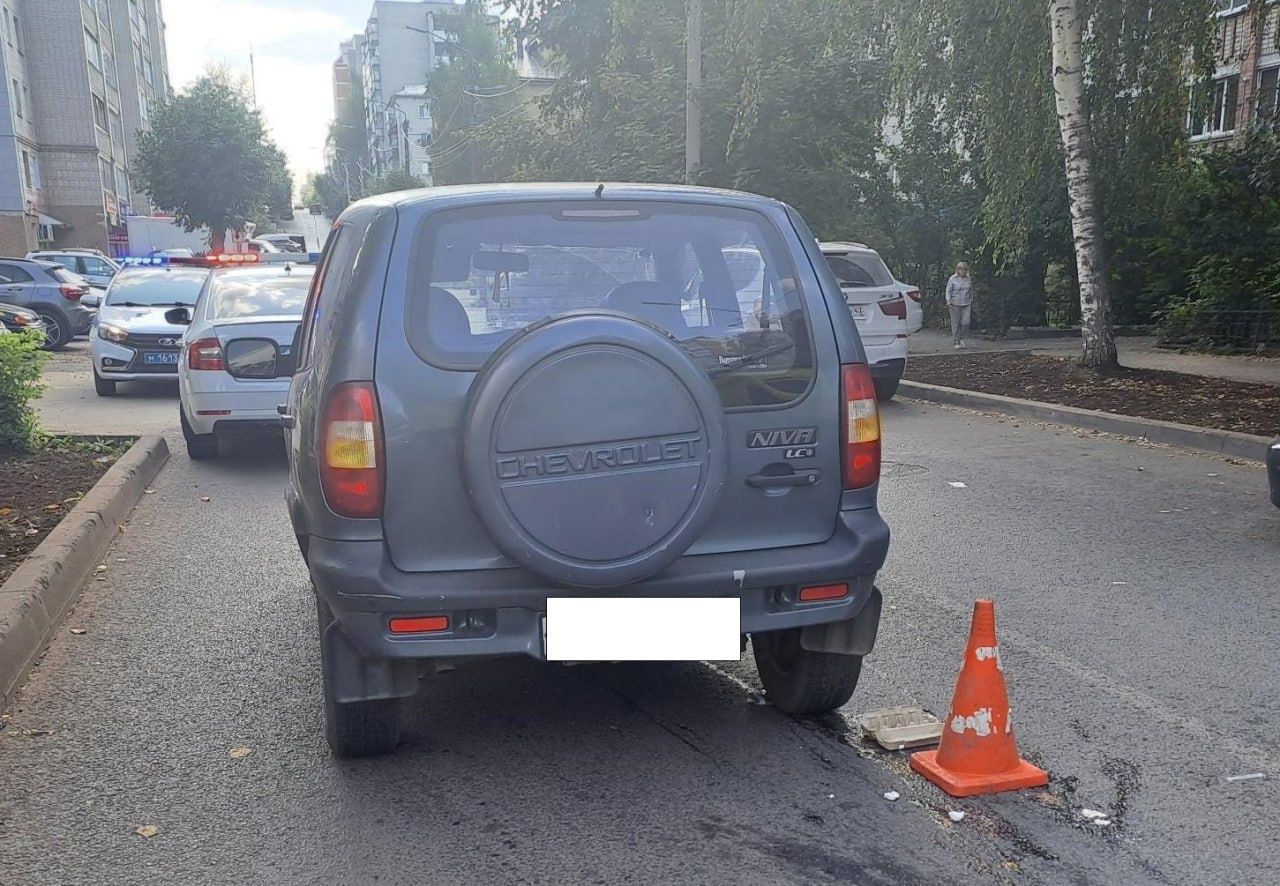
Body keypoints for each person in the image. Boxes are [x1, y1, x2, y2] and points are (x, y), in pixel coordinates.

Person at [946, 262, 974, 349]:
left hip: (966, 303)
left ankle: (962, 338)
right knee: (956, 323)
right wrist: (948, 301)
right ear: (958, 270)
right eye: (961, 270)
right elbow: (948, 290)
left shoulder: (968, 279)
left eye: (965, 270)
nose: (963, 271)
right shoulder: (952, 279)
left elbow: (971, 290)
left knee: (966, 322)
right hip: (955, 303)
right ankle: (956, 341)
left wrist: (971, 299)